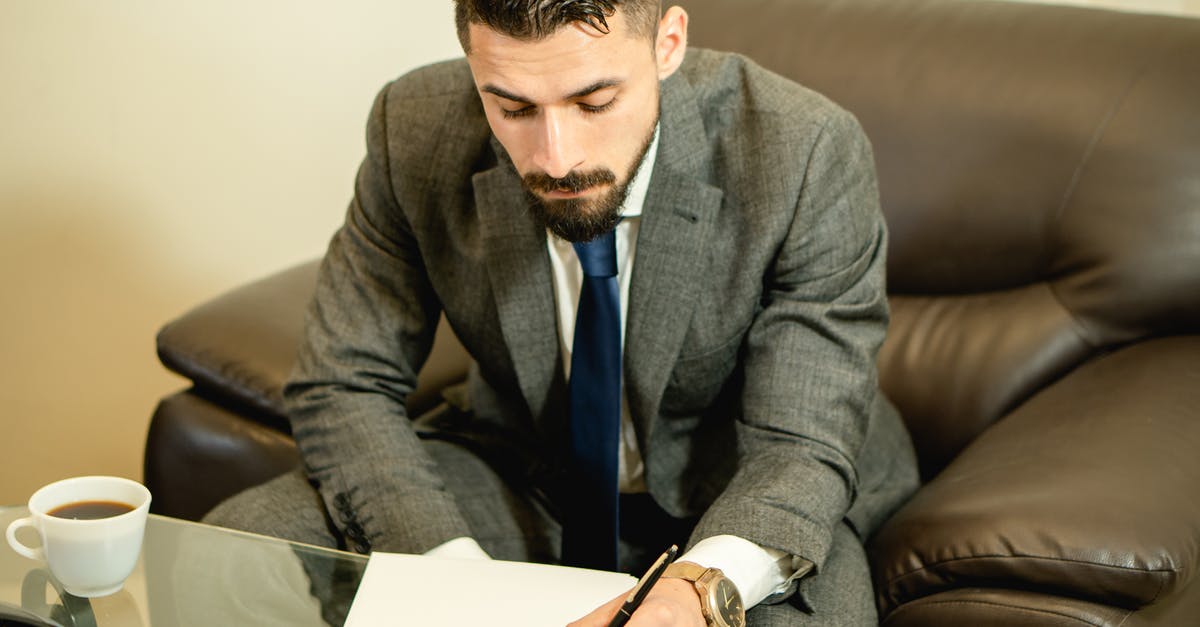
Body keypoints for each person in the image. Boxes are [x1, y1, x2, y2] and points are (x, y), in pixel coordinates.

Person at [205, 1, 918, 624]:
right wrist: (448, 574)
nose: (557, 157)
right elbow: (343, 381)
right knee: (241, 548)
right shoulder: (414, 130)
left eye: (595, 101)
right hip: (526, 472)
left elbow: (800, 441)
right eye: (512, 107)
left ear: (668, 44)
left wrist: (699, 591)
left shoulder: (803, 151)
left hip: (738, 489)